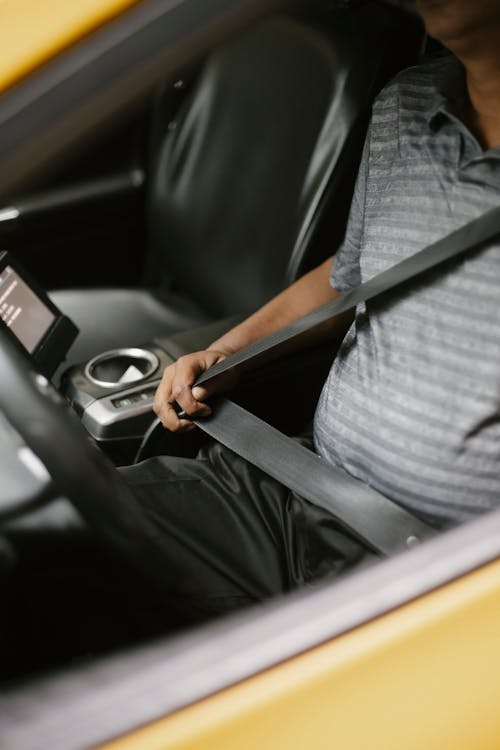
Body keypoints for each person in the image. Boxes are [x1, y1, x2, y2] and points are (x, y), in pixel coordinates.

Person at [6, 0, 500, 636]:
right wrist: (229, 352)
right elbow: (348, 274)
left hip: (436, 576)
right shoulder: (406, 104)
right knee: (42, 543)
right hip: (294, 488)